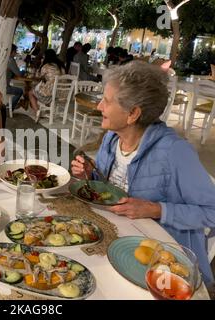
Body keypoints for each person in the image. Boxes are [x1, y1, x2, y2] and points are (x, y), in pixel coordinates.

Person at [71, 61, 215, 285]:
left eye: (107, 101)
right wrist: (91, 177)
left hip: (164, 265)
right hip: (116, 239)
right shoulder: (112, 138)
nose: (99, 106)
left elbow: (211, 211)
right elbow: (112, 191)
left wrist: (157, 209)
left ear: (133, 114)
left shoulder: (175, 152)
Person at [28, 49, 65, 119]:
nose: (43, 58)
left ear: (46, 57)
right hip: (59, 95)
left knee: (30, 93)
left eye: (43, 57)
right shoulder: (61, 66)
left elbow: (37, 76)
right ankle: (46, 108)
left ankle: (37, 112)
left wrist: (41, 64)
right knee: (42, 88)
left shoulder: (46, 66)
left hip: (50, 96)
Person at [6, 44, 24, 110]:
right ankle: (10, 107)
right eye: (15, 51)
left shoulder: (4, 58)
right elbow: (18, 73)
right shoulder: (10, 60)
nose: (16, 53)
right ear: (12, 51)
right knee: (20, 91)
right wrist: (23, 71)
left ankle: (9, 106)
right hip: (5, 87)